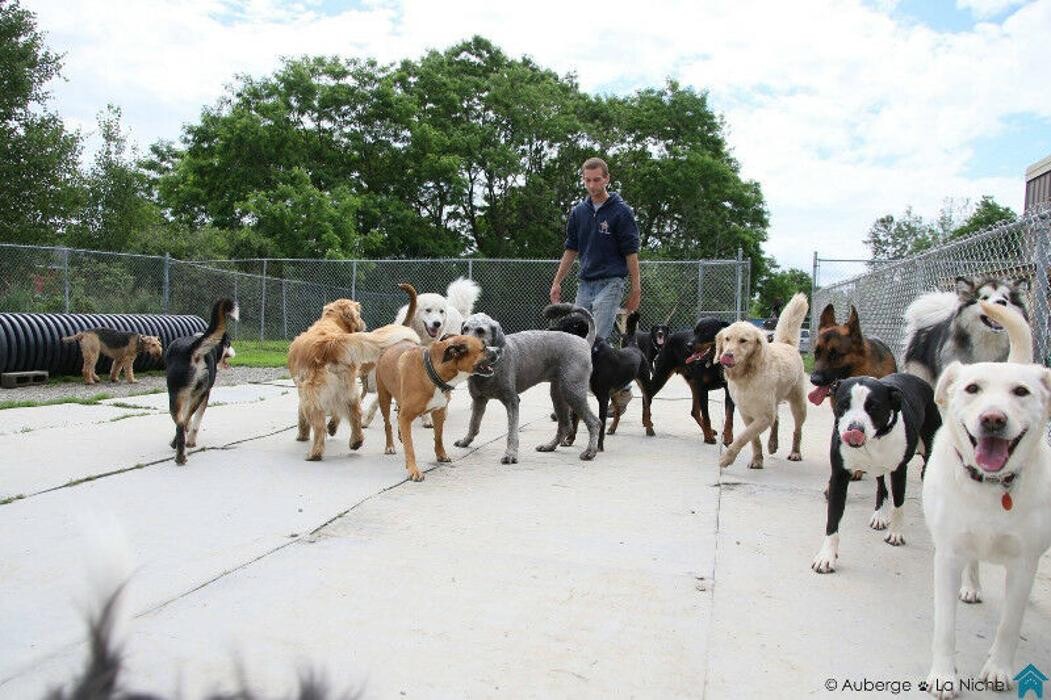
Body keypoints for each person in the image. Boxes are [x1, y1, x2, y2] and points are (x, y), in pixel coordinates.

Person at [549, 157, 641, 341]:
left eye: (597, 179)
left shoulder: (621, 212)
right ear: (583, 180)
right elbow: (571, 249)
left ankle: (597, 369)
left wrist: (636, 289)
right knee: (577, 337)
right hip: (585, 283)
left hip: (611, 282)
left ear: (607, 179)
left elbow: (631, 252)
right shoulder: (579, 212)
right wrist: (557, 281)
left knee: (597, 338)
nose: (592, 185)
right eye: (587, 180)